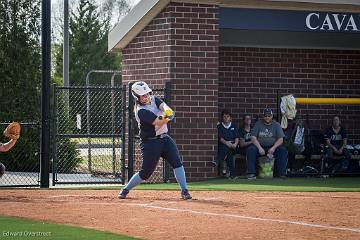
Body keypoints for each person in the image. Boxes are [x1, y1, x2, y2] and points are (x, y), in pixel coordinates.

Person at [118, 81, 191, 200]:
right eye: (143, 96)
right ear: (137, 98)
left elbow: (163, 106)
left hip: (164, 139)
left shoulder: (154, 99)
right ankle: (126, 189)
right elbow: (158, 121)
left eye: (147, 94)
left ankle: (184, 190)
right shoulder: (140, 111)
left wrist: (168, 110)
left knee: (177, 162)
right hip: (150, 143)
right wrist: (168, 116)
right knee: (146, 173)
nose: (146, 97)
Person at [246, 108, 288, 179]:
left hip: (272, 147)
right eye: (266, 116)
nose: (267, 117)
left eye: (269, 116)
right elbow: (253, 138)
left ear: (272, 116)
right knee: (251, 150)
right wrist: (259, 148)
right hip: (260, 146)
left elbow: (281, 139)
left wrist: (273, 148)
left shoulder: (276, 125)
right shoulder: (258, 124)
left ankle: (281, 174)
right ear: (263, 116)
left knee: (283, 150)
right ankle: (251, 173)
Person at [214, 110, 239, 179]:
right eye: (224, 117)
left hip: (233, 146)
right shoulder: (220, 126)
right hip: (223, 145)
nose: (226, 118)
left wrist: (235, 144)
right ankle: (233, 174)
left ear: (230, 118)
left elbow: (237, 137)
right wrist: (227, 143)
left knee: (228, 150)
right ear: (222, 118)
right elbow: (220, 138)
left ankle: (217, 161)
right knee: (228, 153)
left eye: (227, 116)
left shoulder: (234, 126)